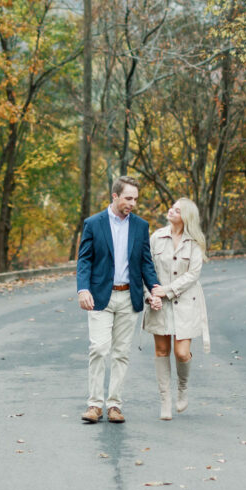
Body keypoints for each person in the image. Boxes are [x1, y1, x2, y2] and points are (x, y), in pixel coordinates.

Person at [76, 176, 162, 424]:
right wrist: (83, 289)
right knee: (99, 348)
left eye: (135, 198)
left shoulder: (140, 226)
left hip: (129, 297)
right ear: (115, 196)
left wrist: (154, 290)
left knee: (121, 353)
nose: (133, 203)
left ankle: (114, 405)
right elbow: (84, 260)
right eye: (128, 198)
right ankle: (94, 405)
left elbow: (146, 263)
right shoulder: (93, 224)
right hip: (100, 297)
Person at [142, 198, 209, 420]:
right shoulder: (156, 237)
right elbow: (145, 267)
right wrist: (151, 295)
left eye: (177, 210)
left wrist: (168, 290)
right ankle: (165, 400)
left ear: (186, 217)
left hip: (185, 302)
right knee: (161, 351)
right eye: (172, 207)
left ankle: (183, 388)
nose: (171, 210)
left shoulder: (195, 242)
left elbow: (193, 274)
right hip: (158, 301)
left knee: (181, 352)